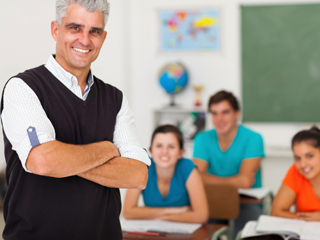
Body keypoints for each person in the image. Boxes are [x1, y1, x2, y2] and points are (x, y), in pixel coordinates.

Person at [0, 0, 150, 239]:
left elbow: (137, 175)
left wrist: (63, 159)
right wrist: (106, 149)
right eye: (75, 28)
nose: (85, 39)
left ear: (104, 37)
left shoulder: (115, 99)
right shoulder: (23, 88)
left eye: (95, 31)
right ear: (55, 30)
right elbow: (42, 161)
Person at [192, 90, 265, 235]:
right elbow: (196, 178)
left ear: (236, 114)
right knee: (201, 234)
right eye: (214, 113)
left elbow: (245, 182)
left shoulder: (254, 138)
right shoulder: (202, 138)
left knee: (244, 235)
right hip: (214, 202)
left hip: (245, 204)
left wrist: (207, 179)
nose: (219, 119)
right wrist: (235, 181)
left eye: (225, 112)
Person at [123, 124, 208, 223]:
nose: (164, 152)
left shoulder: (189, 168)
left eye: (171, 147)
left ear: (180, 153)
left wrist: (160, 217)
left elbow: (201, 215)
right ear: (151, 151)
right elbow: (128, 212)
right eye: (159, 146)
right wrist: (174, 211)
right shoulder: (141, 168)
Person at [271, 126, 320, 221]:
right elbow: (276, 212)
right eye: (297, 158)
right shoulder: (295, 172)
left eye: (309, 156)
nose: (303, 164)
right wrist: (309, 219)